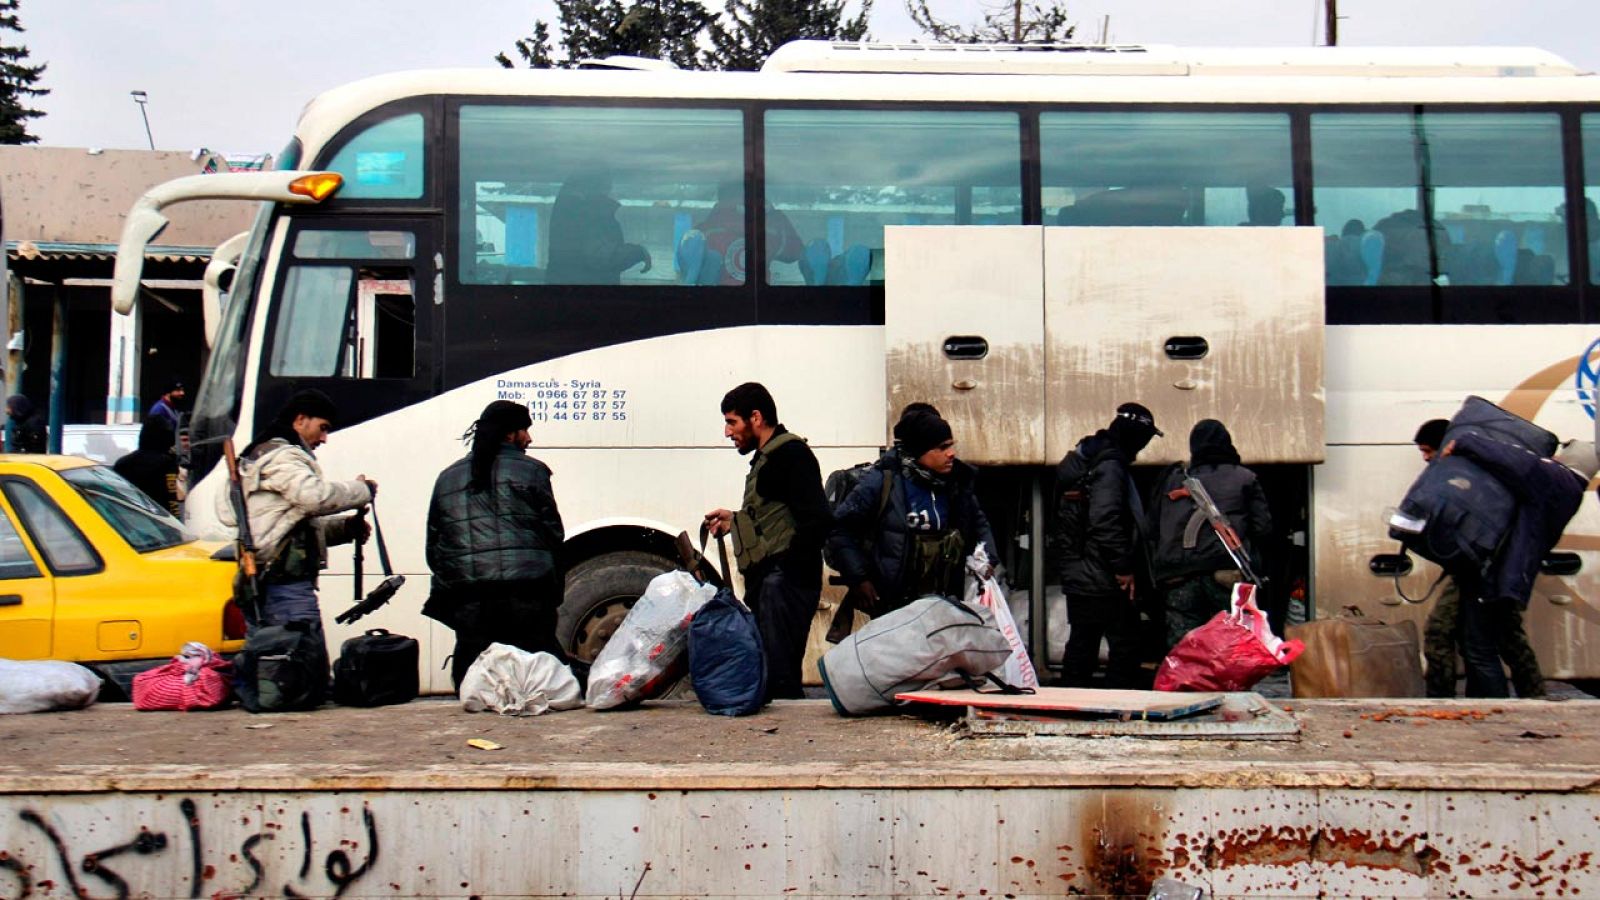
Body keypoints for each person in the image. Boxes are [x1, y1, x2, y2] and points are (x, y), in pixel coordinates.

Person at [423, 400, 570, 691]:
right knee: (540, 683)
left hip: (471, 605)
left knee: (473, 686)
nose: (529, 438)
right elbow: (554, 534)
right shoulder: (533, 472)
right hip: (528, 600)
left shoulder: (446, 478)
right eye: (524, 430)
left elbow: (435, 548)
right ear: (509, 434)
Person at [1437, 435, 1594, 698]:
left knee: (1480, 648)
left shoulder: (1556, 480)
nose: (1555, 457)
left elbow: (1518, 462)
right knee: (1485, 644)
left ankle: (1494, 711)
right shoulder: (1569, 488)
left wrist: (1466, 442)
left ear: (1573, 459)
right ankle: (1486, 706)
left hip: (1498, 574)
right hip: (1510, 576)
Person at [704, 382, 830, 701]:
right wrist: (734, 520)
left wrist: (782, 574)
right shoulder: (768, 457)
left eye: (732, 422)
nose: (727, 432)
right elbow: (773, 516)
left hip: (785, 586)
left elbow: (817, 520)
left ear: (756, 418)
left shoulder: (791, 455)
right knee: (771, 677)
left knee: (780, 680)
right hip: (775, 584)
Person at [223, 389, 374, 648]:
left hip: (271, 584)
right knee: (300, 669)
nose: (324, 438)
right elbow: (314, 497)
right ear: (300, 420)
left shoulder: (264, 454)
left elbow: (288, 528)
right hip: (285, 588)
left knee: (277, 668)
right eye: (322, 427)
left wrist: (344, 528)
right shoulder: (283, 456)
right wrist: (363, 491)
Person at [828, 409, 998, 620]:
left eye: (951, 445)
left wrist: (987, 558)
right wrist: (859, 578)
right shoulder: (883, 482)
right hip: (895, 608)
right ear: (920, 451)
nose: (951, 453)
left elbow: (979, 523)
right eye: (942, 447)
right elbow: (839, 530)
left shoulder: (957, 484)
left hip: (947, 604)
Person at [1053, 402, 1162, 688]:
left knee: (1083, 643)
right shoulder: (1111, 465)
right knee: (1125, 643)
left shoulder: (1085, 459)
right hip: (1101, 573)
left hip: (1079, 568)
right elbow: (1105, 519)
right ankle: (1117, 704)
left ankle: (1072, 704)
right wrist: (1123, 567)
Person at [1147, 419, 1272, 650]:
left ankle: (1186, 684)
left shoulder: (1171, 478)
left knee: (1184, 646)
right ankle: (1225, 686)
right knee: (1228, 643)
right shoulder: (1244, 478)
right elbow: (1263, 528)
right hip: (1225, 573)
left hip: (1179, 576)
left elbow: (1152, 527)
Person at [545, 168, 652, 285]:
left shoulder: (570, 211)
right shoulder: (590, 214)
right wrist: (638, 252)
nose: (614, 193)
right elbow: (600, 257)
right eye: (610, 186)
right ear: (600, 190)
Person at [693, 181, 805, 285]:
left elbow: (688, 265)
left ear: (721, 196)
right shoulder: (775, 226)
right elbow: (796, 252)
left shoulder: (704, 232)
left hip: (719, 300)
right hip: (763, 299)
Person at [113, 416, 180, 516]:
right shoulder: (167, 463)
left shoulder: (122, 463)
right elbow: (172, 499)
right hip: (159, 521)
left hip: (128, 520)